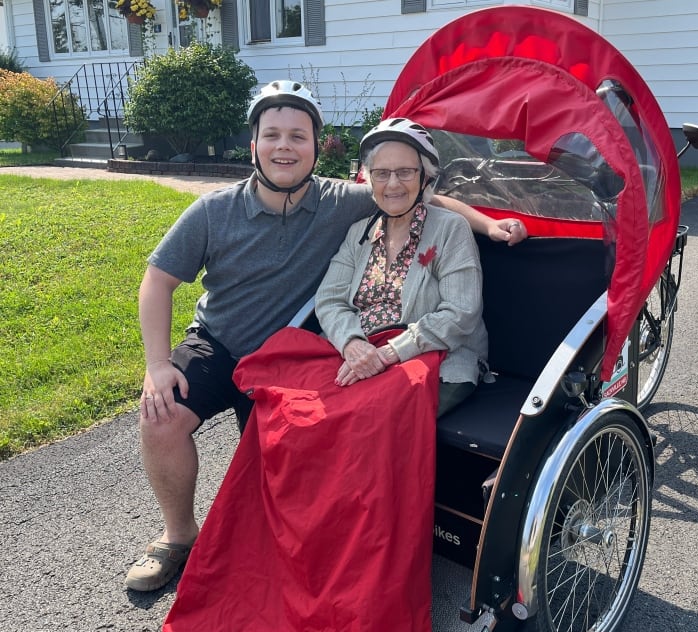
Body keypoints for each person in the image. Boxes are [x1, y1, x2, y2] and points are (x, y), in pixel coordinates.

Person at [125, 80, 527, 592]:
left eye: (298, 135)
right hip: (221, 340)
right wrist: (158, 364)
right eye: (272, 135)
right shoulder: (218, 211)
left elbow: (426, 197)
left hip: (294, 354)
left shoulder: (347, 202)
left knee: (297, 434)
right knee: (160, 417)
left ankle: (313, 549)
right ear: (254, 146)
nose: (284, 146)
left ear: (318, 148)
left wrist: (490, 227)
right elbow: (158, 281)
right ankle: (178, 537)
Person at [315, 117, 492, 414]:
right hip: (358, 354)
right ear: (370, 179)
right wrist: (352, 345)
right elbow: (329, 299)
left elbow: (461, 313)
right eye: (381, 173)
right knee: (289, 405)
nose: (393, 184)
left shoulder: (450, 229)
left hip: (432, 358)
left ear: (425, 177)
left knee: (359, 420)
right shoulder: (359, 232)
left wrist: (388, 353)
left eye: (406, 172)